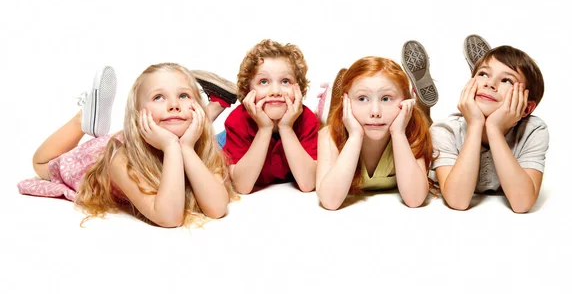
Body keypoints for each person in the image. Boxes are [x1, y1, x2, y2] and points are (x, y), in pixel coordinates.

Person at [18, 63, 235, 227]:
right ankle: (83, 118)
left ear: (198, 107)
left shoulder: (203, 148)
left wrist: (186, 148)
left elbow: (216, 208)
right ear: (137, 114)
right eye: (159, 97)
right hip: (94, 159)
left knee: (175, 125)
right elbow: (170, 218)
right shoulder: (120, 161)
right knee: (42, 164)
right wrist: (171, 146)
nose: (174, 105)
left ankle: (214, 105)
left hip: (146, 137)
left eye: (184, 96)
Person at [430, 35, 548, 213]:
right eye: (483, 74)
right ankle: (422, 105)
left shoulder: (534, 131)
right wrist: (476, 124)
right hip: (427, 159)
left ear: (526, 108)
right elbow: (457, 201)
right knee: (420, 130)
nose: (490, 84)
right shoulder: (444, 130)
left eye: (506, 80)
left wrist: (494, 129)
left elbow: (522, 204)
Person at [316, 55, 435, 210]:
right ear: (346, 102)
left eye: (386, 99)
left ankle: (420, 104)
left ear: (405, 101)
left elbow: (415, 199)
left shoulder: (412, 132)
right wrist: (354, 137)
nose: (375, 112)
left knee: (427, 122)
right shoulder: (328, 136)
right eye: (362, 98)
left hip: (406, 122)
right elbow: (330, 201)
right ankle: (331, 102)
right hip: (342, 122)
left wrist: (398, 133)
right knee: (329, 120)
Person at [222, 39, 319, 194]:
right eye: (264, 81)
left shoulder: (307, 119)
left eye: (285, 81)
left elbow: (308, 184)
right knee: (209, 149)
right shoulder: (237, 120)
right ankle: (215, 104)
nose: (275, 91)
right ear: (248, 90)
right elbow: (242, 187)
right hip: (224, 142)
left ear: (299, 90)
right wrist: (264, 128)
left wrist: (286, 127)